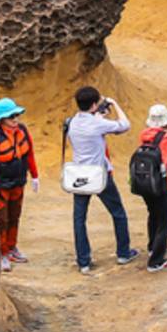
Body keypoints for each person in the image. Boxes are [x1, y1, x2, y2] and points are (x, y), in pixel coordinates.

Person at [64, 86, 137, 274]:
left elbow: (89, 124)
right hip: (99, 175)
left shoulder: (72, 122)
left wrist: (98, 115)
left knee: (79, 219)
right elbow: (124, 125)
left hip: (80, 176)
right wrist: (114, 104)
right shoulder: (97, 124)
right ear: (95, 104)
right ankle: (123, 252)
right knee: (118, 213)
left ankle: (84, 262)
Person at [0, 97, 38, 269]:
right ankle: (1, 251)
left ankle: (12, 247)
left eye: (16, 116)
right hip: (0, 186)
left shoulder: (23, 132)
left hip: (18, 183)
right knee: (1, 220)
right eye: (11, 117)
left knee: (15, 217)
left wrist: (35, 175)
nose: (15, 120)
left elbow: (30, 154)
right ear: (2, 119)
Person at [132, 104, 167, 271]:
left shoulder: (144, 134)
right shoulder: (166, 138)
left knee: (153, 216)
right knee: (165, 222)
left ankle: (152, 248)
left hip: (146, 183)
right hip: (162, 184)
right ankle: (156, 261)